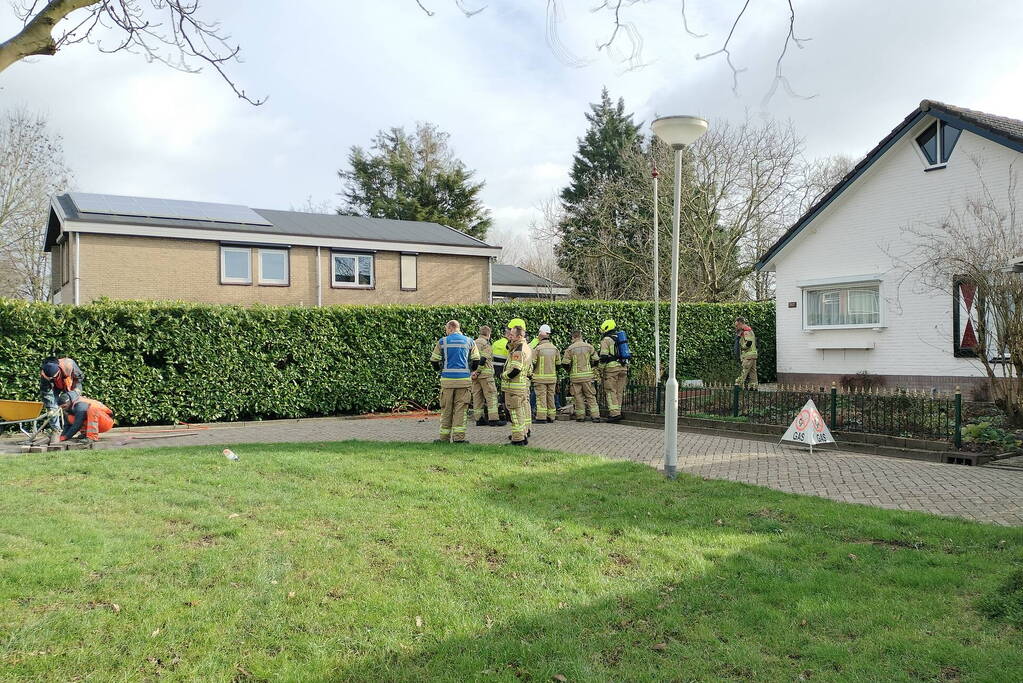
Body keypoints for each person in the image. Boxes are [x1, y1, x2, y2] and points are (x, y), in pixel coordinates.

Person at [430, 320, 480, 443]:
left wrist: (440, 370)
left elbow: (434, 360)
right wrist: (469, 371)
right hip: (463, 381)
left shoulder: (443, 341)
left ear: (451, 328)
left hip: (447, 381)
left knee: (446, 409)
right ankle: (459, 439)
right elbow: (476, 360)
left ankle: (444, 438)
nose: (446, 331)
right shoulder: (469, 341)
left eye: (446, 329)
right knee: (461, 410)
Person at [562, 330, 601, 422]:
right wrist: (590, 367)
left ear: (573, 337)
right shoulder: (589, 347)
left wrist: (569, 370)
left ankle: (580, 416)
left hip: (575, 377)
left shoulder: (570, 348)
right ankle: (595, 416)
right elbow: (596, 359)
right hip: (587, 376)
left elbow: (565, 363)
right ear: (581, 336)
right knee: (590, 396)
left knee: (578, 397)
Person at [40, 357, 84, 437]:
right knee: (51, 408)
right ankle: (57, 430)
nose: (52, 378)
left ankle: (83, 430)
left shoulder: (69, 364)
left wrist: (73, 393)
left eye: (54, 377)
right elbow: (47, 392)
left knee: (74, 404)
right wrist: (51, 407)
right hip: (56, 386)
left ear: (58, 371)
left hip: (72, 384)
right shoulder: (45, 374)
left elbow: (79, 378)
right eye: (50, 378)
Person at [471, 326, 505, 427]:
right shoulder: (486, 344)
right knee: (491, 396)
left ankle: (479, 419)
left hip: (475, 377)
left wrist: (473, 372)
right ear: (489, 334)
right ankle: (493, 419)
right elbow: (483, 359)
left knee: (477, 397)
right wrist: (478, 371)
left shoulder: (473, 343)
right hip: (485, 376)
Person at [502, 332, 530, 446]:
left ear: (519, 336)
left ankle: (517, 439)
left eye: (512, 335)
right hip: (521, 386)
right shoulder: (526, 348)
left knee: (515, 414)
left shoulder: (518, 350)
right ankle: (522, 435)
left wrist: (503, 375)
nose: (509, 336)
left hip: (514, 388)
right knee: (521, 412)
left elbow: (515, 370)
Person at [598, 319, 628, 422]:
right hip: (623, 368)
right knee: (619, 392)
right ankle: (618, 412)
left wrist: (600, 369)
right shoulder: (620, 338)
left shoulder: (606, 340)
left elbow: (603, 357)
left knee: (611, 391)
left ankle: (614, 414)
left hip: (611, 369)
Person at [531, 324, 560, 423]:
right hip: (552, 378)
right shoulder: (554, 348)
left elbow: (533, 363)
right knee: (550, 397)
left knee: (541, 398)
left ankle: (541, 417)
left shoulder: (538, 349)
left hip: (539, 378)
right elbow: (558, 364)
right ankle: (551, 416)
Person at [734, 316, 759, 389]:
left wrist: (743, 347)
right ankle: (753, 387)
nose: (736, 327)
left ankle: (738, 386)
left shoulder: (746, 331)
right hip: (753, 355)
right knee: (753, 372)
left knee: (744, 371)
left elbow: (749, 342)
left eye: (736, 325)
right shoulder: (749, 330)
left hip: (748, 356)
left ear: (740, 323)